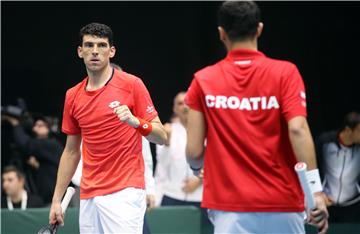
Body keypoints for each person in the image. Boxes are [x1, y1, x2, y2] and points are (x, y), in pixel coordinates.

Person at [185, 1, 328, 234]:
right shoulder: (286, 73)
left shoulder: (203, 79)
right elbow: (298, 129)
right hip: (283, 202)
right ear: (259, 29)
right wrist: (315, 190)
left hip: (229, 207)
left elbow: (193, 151)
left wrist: (195, 167)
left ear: (221, 33)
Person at [48, 22, 167, 234]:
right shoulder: (72, 96)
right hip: (89, 193)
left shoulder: (132, 84)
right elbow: (71, 151)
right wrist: (56, 200)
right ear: (80, 51)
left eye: (102, 45)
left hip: (125, 191)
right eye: (89, 45)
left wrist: (136, 122)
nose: (95, 51)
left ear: (111, 51)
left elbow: (162, 137)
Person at [155, 92, 203, 206]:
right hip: (172, 195)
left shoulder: (207, 130)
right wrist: (166, 143)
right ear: (175, 108)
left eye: (188, 102)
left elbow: (216, 162)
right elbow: (162, 164)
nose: (185, 106)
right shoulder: (167, 130)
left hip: (200, 196)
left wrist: (200, 180)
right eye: (180, 103)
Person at [2, 115, 63, 204]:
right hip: (48, 196)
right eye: (35, 125)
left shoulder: (50, 144)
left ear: (49, 128)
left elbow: (26, 144)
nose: (35, 128)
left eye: (40, 125)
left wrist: (15, 124)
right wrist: (39, 166)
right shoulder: (49, 148)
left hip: (53, 199)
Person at [316, 111, 360, 222]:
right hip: (327, 205)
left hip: (353, 206)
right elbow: (313, 167)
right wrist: (319, 192)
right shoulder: (324, 142)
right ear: (348, 130)